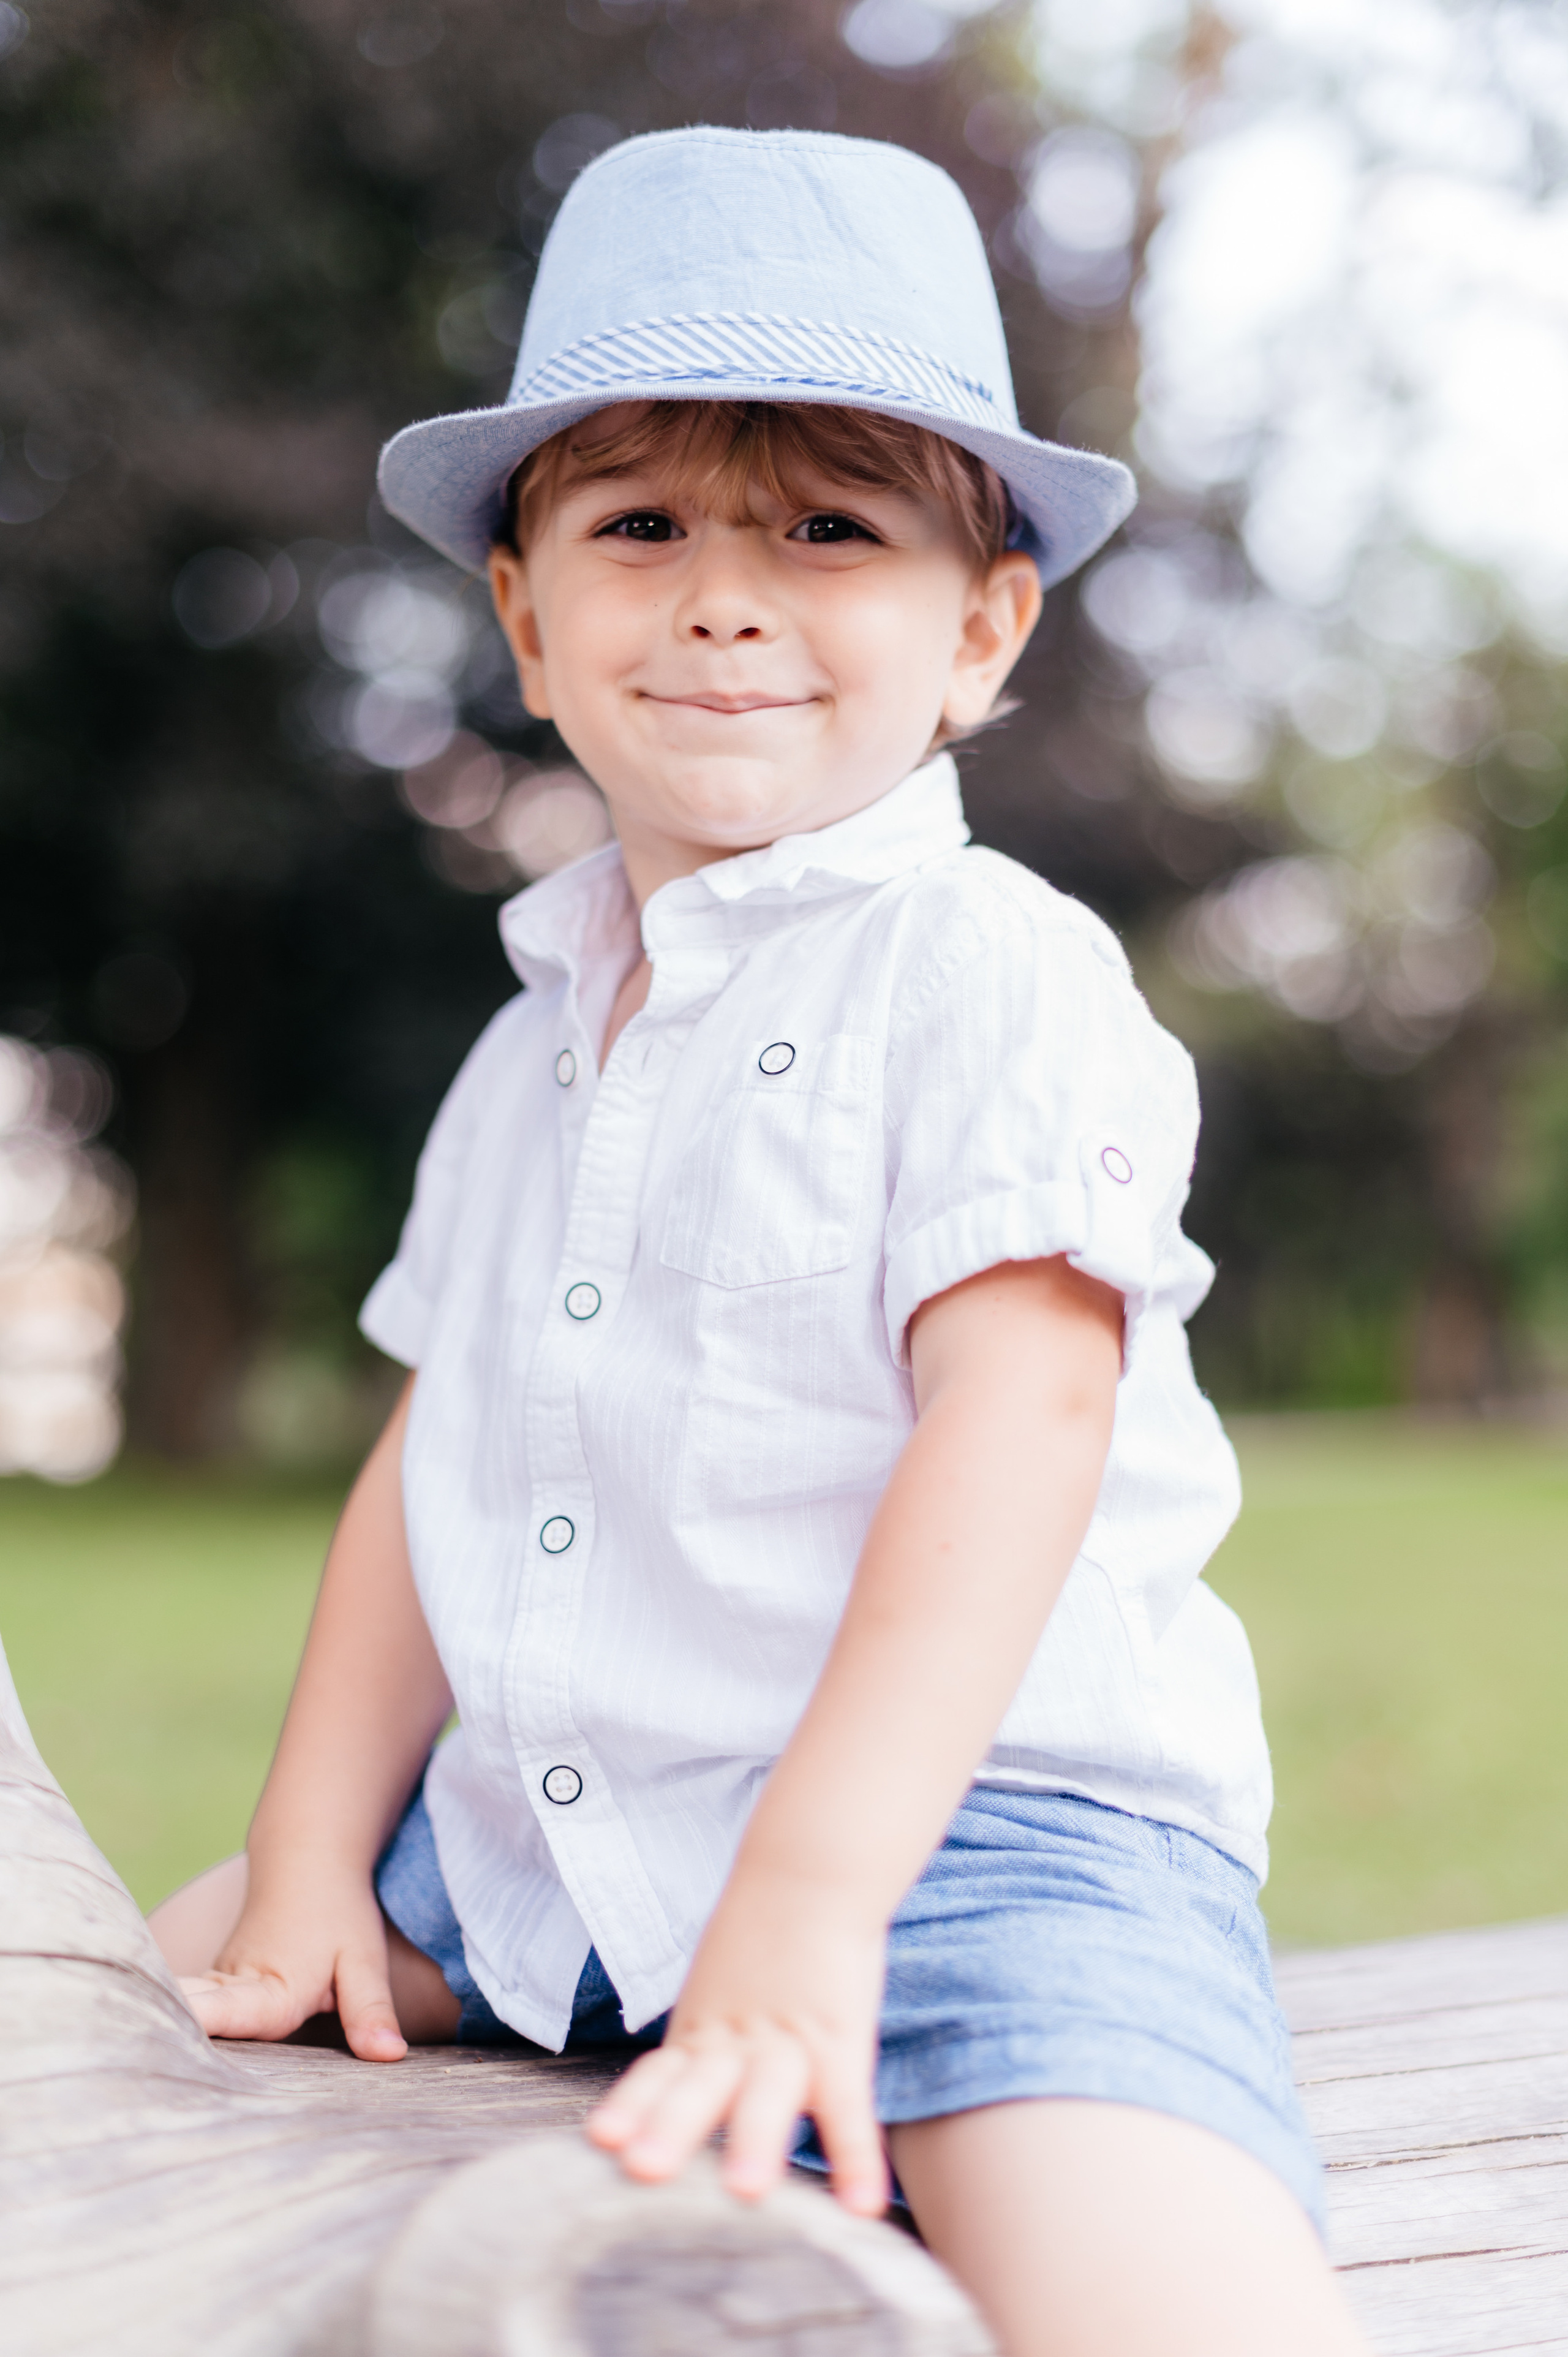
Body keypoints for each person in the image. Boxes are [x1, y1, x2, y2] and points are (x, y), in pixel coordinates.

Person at [154, 130, 1371, 2356]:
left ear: (981, 628)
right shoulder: (535, 1038)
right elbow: (433, 1465)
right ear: (528, 616)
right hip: (577, 1822)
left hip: (977, 1838)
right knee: (155, 1997)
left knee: (1165, 2303)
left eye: (830, 528)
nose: (726, 596)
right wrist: (317, 1843)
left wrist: (815, 1906)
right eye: (640, 528)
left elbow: (1026, 1419)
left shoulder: (992, 969)